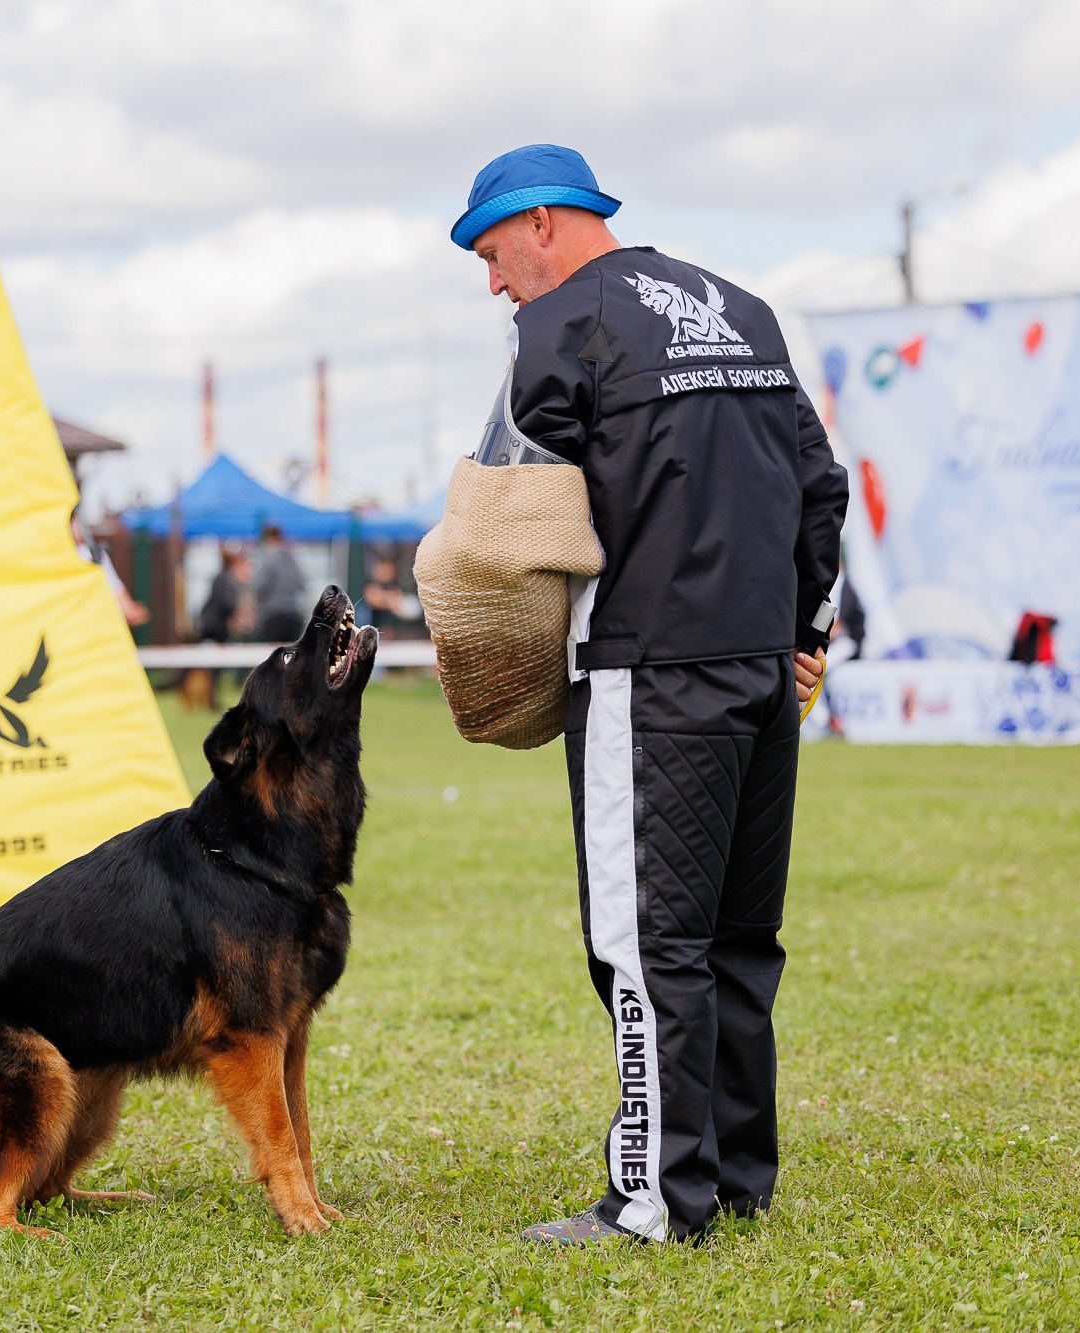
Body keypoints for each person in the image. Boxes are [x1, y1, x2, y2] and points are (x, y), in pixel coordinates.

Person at [451, 145, 847, 1245]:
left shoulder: (558, 323)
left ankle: (653, 1201)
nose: (492, 281)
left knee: (642, 942)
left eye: (490, 252)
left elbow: (509, 501)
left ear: (540, 222)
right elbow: (822, 482)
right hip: (763, 670)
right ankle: (729, 1178)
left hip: (646, 670)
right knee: (735, 937)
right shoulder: (746, 310)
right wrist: (805, 632)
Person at [252, 524, 308, 642]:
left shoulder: (268, 558)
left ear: (267, 538)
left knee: (273, 654)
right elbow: (301, 585)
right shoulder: (292, 558)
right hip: (293, 614)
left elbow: (259, 586)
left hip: (273, 614)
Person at [197, 545, 252, 644]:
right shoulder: (226, 579)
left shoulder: (222, 577)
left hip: (213, 624)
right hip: (215, 626)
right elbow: (226, 603)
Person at [361, 554, 417, 638]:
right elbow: (372, 598)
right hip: (374, 629)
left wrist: (388, 599)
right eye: (382, 568)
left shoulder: (397, 583)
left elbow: (398, 603)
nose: (385, 571)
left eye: (388, 568)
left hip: (396, 631)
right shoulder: (371, 582)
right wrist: (388, 599)